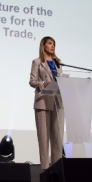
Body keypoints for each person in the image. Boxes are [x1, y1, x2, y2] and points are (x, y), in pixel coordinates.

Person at [29, 36, 63, 170]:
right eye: (49, 43)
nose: (52, 46)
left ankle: (57, 170)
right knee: (44, 141)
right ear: (43, 46)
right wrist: (44, 83)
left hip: (57, 102)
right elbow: (32, 81)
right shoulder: (37, 62)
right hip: (43, 102)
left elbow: (60, 80)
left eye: (54, 43)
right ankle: (44, 170)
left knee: (57, 139)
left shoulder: (58, 63)